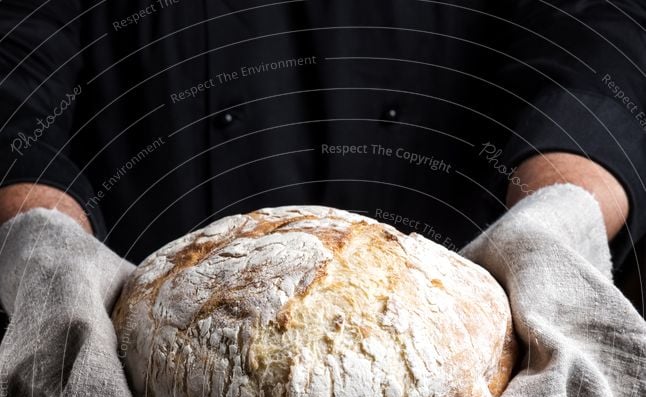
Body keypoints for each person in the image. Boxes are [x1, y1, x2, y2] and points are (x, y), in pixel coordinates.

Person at [0, 1, 644, 272]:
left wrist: (558, 216)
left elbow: (600, 26)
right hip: (132, 388)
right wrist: (43, 246)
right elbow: (17, 46)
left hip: (476, 364)